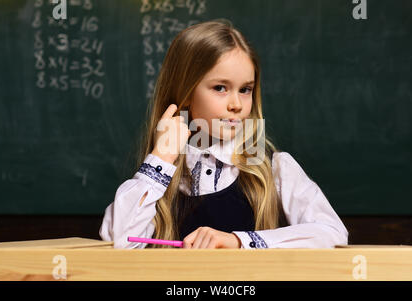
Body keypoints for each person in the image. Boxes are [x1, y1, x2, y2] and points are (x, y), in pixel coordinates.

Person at [99, 19, 348, 249]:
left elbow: (333, 234)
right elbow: (118, 243)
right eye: (220, 88)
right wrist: (161, 157)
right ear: (185, 93)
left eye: (245, 89)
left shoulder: (272, 168)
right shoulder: (159, 177)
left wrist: (238, 242)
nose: (236, 104)